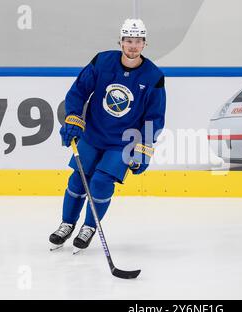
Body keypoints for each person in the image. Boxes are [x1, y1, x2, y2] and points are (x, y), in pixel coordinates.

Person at [49, 18, 166, 253]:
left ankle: (89, 227)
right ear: (120, 41)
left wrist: (144, 149)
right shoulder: (102, 61)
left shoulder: (153, 76)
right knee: (78, 179)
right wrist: (73, 118)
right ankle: (67, 223)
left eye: (138, 41)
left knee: (101, 183)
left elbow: (154, 117)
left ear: (145, 44)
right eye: (128, 40)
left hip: (122, 144)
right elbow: (79, 91)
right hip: (93, 135)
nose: (133, 46)